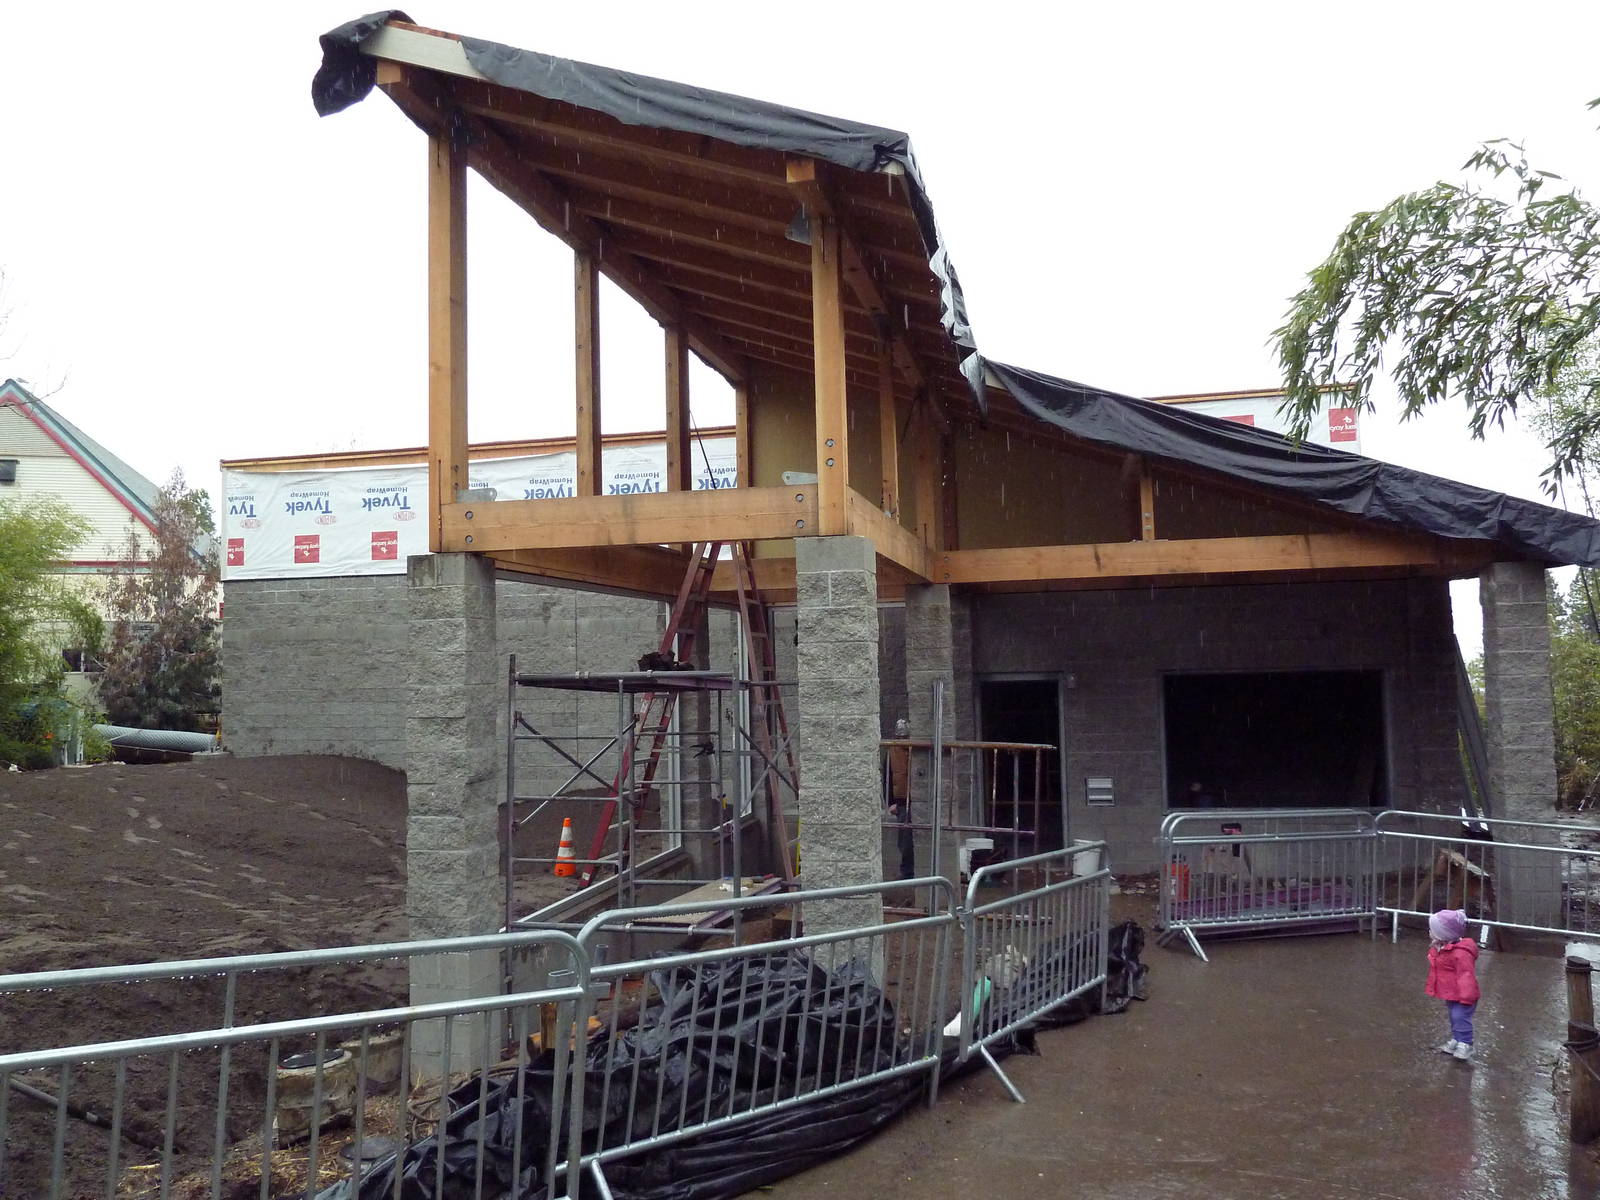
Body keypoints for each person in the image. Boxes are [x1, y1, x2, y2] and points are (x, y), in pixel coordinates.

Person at [1426, 908, 1481, 1062]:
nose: (1430, 932)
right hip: (1450, 992)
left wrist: (1467, 996)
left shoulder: (1460, 953)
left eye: (1433, 930)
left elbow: (1466, 975)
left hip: (1464, 994)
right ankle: (1457, 1039)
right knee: (1453, 1016)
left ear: (1444, 934)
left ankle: (1466, 1043)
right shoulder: (1441, 947)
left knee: (1460, 1016)